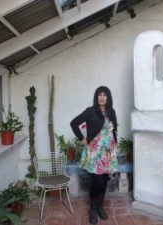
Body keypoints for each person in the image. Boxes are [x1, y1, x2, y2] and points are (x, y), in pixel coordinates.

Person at [70, 86, 118, 224]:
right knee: (97, 181)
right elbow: (73, 123)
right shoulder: (90, 111)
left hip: (107, 153)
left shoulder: (111, 111)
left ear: (108, 97)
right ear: (96, 97)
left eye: (104, 95)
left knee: (103, 181)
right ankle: (93, 209)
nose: (102, 97)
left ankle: (100, 207)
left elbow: (113, 131)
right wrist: (82, 139)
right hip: (95, 152)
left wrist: (115, 148)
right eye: (99, 95)